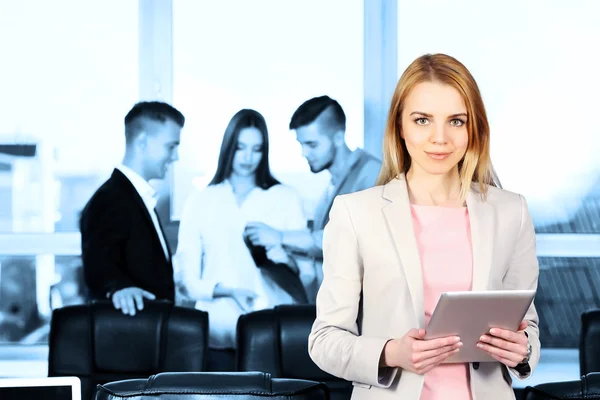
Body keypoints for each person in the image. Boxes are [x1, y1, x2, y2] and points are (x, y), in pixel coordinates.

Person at [307, 54, 540, 400]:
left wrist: (522, 352)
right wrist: (391, 353)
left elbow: (528, 329)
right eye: (422, 120)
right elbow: (324, 339)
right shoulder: (356, 213)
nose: (440, 138)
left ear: (473, 127)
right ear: (400, 127)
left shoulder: (511, 212)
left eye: (456, 121)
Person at [175, 109, 310, 371]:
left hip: (270, 335)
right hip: (215, 334)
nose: (248, 158)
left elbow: (304, 277)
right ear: (228, 148)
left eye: (257, 149)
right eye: (240, 148)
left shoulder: (286, 197)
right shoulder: (200, 201)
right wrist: (226, 290)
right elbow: (186, 279)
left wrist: (280, 251)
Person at [244, 96, 381, 299]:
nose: (304, 153)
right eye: (302, 144)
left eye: (312, 144)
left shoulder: (371, 173)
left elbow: (348, 240)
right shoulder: (328, 192)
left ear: (338, 137)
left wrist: (280, 237)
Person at [80, 101, 184, 316]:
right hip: (133, 339)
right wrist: (117, 287)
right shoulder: (109, 199)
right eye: (170, 146)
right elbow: (100, 263)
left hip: (150, 335)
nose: (175, 156)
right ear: (143, 142)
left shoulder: (136, 198)